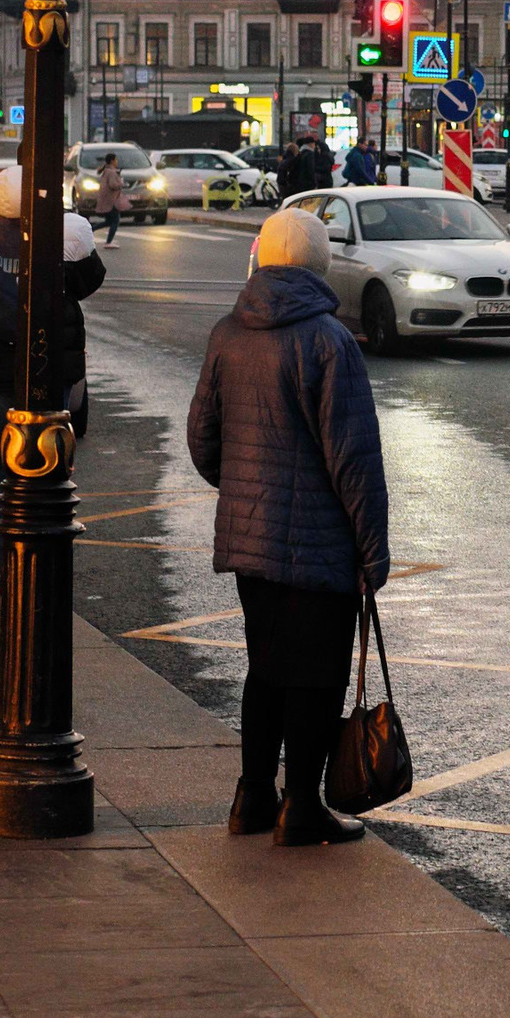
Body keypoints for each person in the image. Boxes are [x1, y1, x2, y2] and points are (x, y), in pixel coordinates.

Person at [187, 208, 391, 848]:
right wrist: (372, 550)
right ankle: (301, 806)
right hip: (319, 541)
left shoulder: (228, 332)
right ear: (320, 264)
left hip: (250, 543)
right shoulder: (328, 342)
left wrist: (249, 490)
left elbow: (202, 440)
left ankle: (252, 798)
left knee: (266, 666)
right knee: (315, 677)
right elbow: (354, 459)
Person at [0, 165, 106, 599]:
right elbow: (91, 280)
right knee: (51, 462)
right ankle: (46, 559)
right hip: (51, 364)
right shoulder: (68, 232)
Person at [95, 152, 129, 246]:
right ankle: (108, 242)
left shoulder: (106, 171)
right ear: (112, 161)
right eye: (115, 160)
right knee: (115, 220)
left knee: (109, 221)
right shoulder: (111, 172)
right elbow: (113, 185)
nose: (116, 162)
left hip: (107, 200)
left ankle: (91, 229)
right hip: (111, 201)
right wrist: (121, 183)